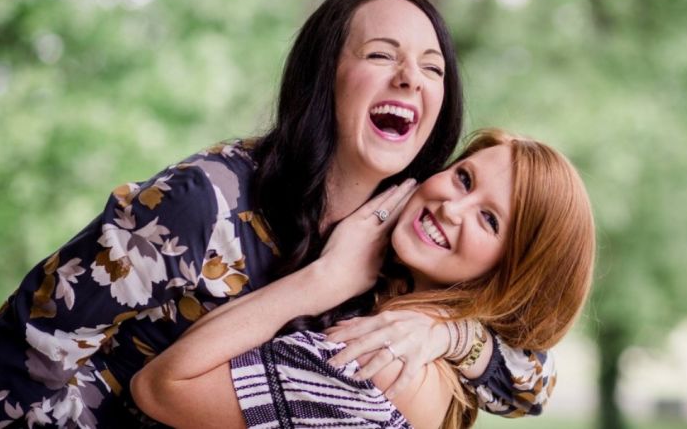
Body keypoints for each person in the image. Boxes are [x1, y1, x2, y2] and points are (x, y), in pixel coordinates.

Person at [0, 0, 553, 427]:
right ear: (322, 77)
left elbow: (535, 382)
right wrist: (323, 280)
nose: (410, 78)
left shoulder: (418, 221)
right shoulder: (201, 202)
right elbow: (27, 347)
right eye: (383, 55)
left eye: (433, 68)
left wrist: (448, 336)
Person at [131, 129, 595, 429]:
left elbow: (161, 387)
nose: (452, 209)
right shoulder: (413, 332)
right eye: (464, 179)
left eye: (490, 221)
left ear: (511, 274)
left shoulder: (376, 360)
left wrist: (322, 280)